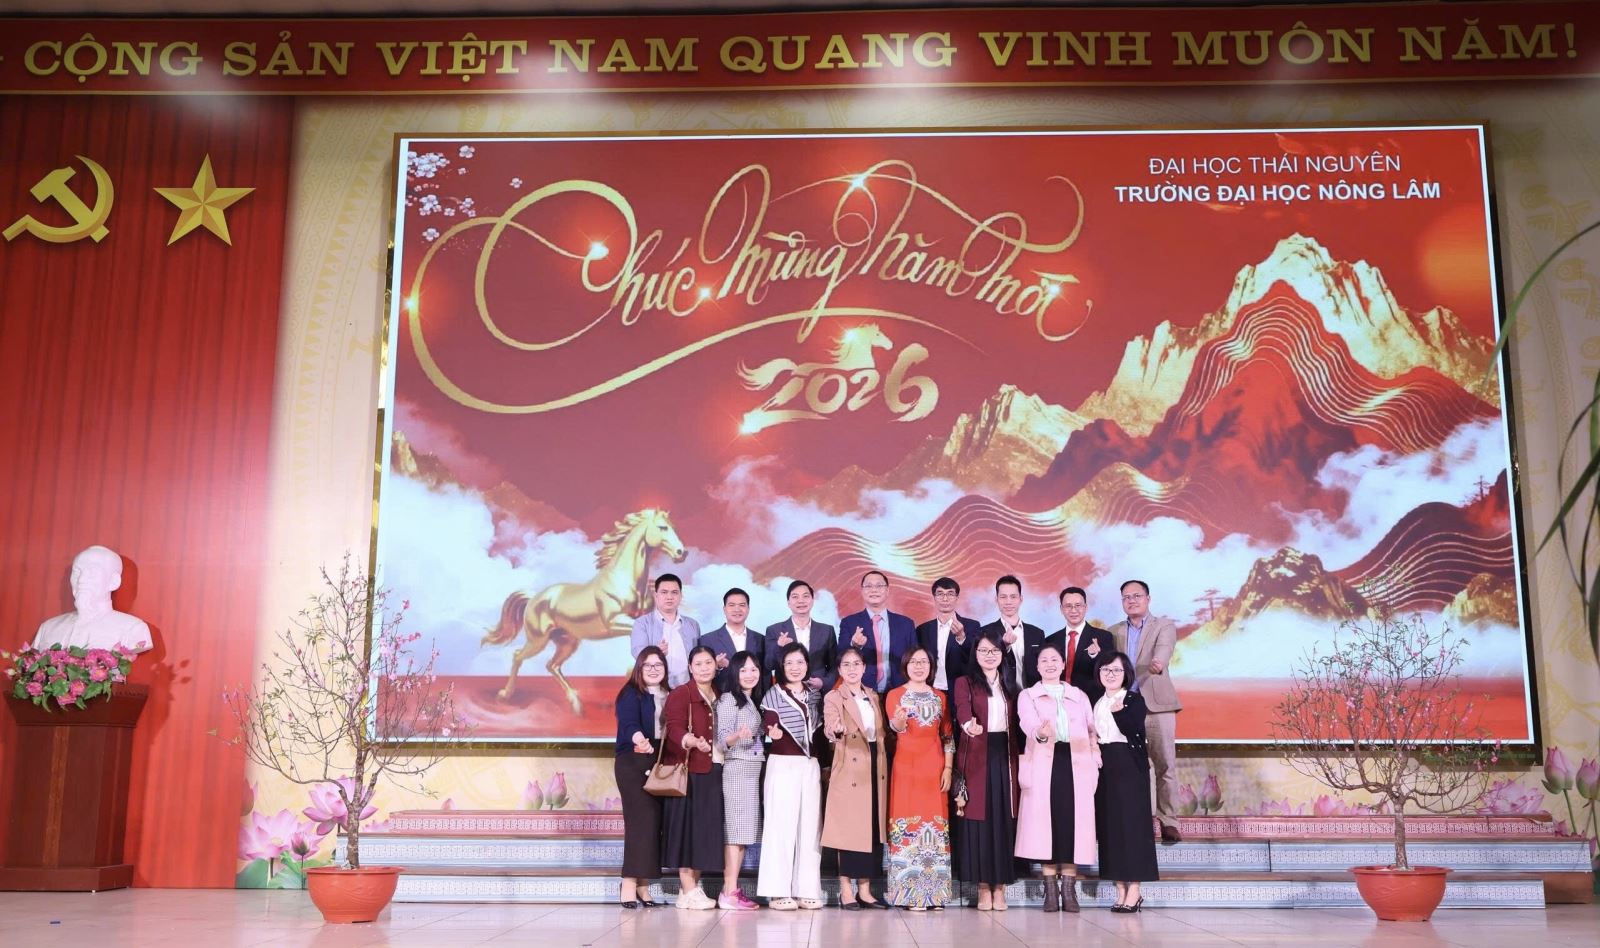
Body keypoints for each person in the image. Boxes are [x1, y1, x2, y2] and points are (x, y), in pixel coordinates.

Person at [1015, 644, 1099, 913]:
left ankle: (1069, 890)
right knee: (1046, 825)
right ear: (1037, 666)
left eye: (1054, 659)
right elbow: (1027, 722)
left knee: (1072, 824)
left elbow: (1092, 730)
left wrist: (1095, 758)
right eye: (1044, 660)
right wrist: (1039, 733)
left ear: (1063, 664)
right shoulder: (1028, 695)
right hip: (1043, 761)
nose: (1050, 664)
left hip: (1076, 762)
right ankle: (1050, 890)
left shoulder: (1079, 695)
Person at [1108, 579, 1183, 842]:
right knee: (1132, 767)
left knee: (1164, 764)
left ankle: (1168, 821)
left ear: (1148, 599)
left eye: (1137, 596)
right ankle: (1138, 819)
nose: (1132, 601)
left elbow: (1164, 649)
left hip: (1157, 705)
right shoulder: (1114, 631)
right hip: (1125, 707)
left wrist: (1158, 662)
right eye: (1126, 597)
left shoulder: (1163, 625)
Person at [884, 646, 954, 911]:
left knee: (935, 826)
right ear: (905, 665)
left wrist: (948, 768)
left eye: (924, 661)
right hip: (906, 767)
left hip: (934, 767)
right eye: (913, 661)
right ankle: (911, 895)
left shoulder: (940, 697)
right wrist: (900, 722)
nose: (919, 666)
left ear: (931, 666)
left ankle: (935, 896)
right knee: (908, 825)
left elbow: (948, 735)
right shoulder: (895, 695)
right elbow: (895, 727)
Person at [757, 642, 826, 911]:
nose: (795, 667)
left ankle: (807, 889)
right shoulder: (773, 694)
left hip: (810, 766)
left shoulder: (815, 695)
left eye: (800, 662)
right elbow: (769, 723)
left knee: (810, 828)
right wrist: (771, 731)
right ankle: (777, 891)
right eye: (789, 663)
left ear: (807, 665)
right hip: (782, 764)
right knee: (780, 827)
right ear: (781, 667)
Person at [953, 635, 1020, 910]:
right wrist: (968, 725)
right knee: (978, 820)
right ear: (975, 654)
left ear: (1002, 654)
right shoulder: (965, 682)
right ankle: (982, 888)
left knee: (1003, 819)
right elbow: (962, 709)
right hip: (977, 751)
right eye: (983, 650)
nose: (989, 655)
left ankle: (1000, 887)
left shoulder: (1010, 683)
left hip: (1005, 754)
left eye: (994, 650)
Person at [821, 647, 890, 909]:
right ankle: (846, 890)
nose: (852, 669)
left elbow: (881, 732)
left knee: (871, 828)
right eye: (846, 665)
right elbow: (831, 725)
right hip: (850, 764)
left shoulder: (872, 695)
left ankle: (865, 889)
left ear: (864, 668)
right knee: (849, 830)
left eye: (856, 664)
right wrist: (835, 729)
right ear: (839, 670)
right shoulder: (834, 696)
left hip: (874, 764)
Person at [1092, 651, 1160, 912]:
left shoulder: (1133, 700)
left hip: (1129, 766)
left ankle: (1135, 890)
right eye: (1106, 669)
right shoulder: (1096, 701)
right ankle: (1120, 888)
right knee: (1111, 828)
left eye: (1116, 670)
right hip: (1104, 766)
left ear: (1125, 674)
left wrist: (1119, 713)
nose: (1110, 674)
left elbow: (1133, 730)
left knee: (1133, 828)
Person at [660, 645, 723, 909]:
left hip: (714, 769)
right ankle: (688, 887)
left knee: (702, 831)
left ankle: (689, 892)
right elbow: (673, 727)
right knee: (687, 831)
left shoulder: (720, 692)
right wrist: (691, 741)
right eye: (698, 664)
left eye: (708, 663)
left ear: (716, 665)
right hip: (689, 770)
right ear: (689, 667)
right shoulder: (681, 693)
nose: (704, 668)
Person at [614, 646, 669, 908]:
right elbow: (629, 725)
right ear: (639, 668)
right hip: (633, 761)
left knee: (653, 824)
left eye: (659, 664)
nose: (654, 669)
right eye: (648, 665)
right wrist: (640, 740)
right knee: (639, 823)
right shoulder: (630, 693)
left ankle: (643, 885)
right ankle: (628, 883)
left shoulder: (671, 694)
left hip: (660, 763)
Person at [715, 651, 766, 910]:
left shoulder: (751, 700)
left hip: (751, 770)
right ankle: (729, 892)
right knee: (735, 833)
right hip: (736, 769)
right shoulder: (728, 699)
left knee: (743, 833)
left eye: (754, 669)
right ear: (734, 672)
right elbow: (721, 739)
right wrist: (736, 736)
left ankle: (732, 890)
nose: (749, 674)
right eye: (743, 669)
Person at [32, 545, 151, 653]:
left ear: (114, 582)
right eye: (77, 572)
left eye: (92, 572)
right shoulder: (48, 628)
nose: (81, 579)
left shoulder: (133, 629)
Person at [838, 570, 918, 696]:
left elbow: (914, 658)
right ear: (862, 591)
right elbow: (839, 657)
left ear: (887, 591)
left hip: (900, 692)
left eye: (879, 585)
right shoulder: (849, 622)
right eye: (868, 586)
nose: (874, 590)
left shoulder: (906, 624)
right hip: (862, 691)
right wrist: (854, 645)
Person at [977, 574, 1049, 690]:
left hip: (1032, 695)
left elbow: (1044, 667)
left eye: (1013, 597)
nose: (1008, 602)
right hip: (999, 695)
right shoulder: (985, 632)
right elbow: (980, 668)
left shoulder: (1037, 634)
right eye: (1003, 597)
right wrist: (1003, 646)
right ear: (996, 600)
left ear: (1021, 599)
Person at [630, 574, 703, 688]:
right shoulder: (642, 623)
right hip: (654, 688)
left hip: (687, 687)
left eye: (674, 592)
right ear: (656, 595)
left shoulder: (693, 624)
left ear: (680, 596)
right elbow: (637, 652)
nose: (669, 597)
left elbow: (698, 655)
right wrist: (655, 652)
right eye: (664, 592)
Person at [916, 576, 980, 704]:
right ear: (934, 597)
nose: (945, 599)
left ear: (957, 597)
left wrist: (961, 637)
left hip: (960, 691)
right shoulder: (922, 629)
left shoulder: (972, 625)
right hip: (930, 690)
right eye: (940, 594)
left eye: (950, 594)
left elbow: (975, 657)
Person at [764, 580, 837, 692]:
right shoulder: (774, 630)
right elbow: (769, 665)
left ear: (812, 600)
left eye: (805, 596)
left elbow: (835, 665)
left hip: (819, 694)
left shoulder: (827, 631)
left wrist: (824, 682)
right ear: (788, 603)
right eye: (795, 597)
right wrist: (779, 647)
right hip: (786, 694)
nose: (801, 601)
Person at [1057, 586, 1116, 703]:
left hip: (1090, 702)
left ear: (1085, 607)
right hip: (1058, 702)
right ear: (1061, 609)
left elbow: (1109, 670)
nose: (1073, 610)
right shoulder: (1051, 640)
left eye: (1078, 605)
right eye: (1068, 606)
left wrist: (1095, 655)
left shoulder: (1103, 637)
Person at [702, 588, 765, 694]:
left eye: (742, 605)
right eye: (732, 605)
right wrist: (717, 666)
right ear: (724, 609)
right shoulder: (707, 640)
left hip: (754, 699)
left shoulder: (761, 639)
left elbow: (765, 675)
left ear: (748, 609)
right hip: (720, 698)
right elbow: (700, 675)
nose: (737, 609)